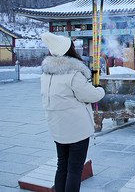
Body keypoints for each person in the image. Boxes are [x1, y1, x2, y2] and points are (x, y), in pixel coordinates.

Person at [40, 32, 105, 192]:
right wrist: (100, 89)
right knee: (75, 169)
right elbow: (92, 95)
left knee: (62, 166)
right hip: (76, 130)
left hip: (57, 129)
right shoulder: (74, 74)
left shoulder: (46, 74)